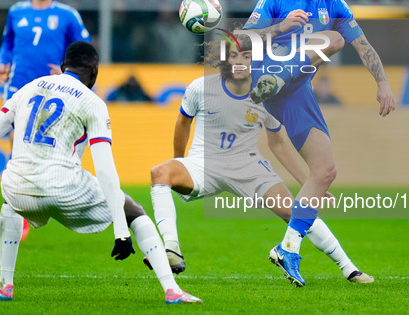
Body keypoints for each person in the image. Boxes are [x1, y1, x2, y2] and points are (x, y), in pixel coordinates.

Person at [0, 41, 201, 305]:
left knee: (10, 203)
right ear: (95, 72)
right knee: (134, 210)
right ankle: (172, 290)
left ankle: (5, 286)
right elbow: (105, 168)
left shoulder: (29, 88)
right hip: (65, 189)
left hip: (20, 188)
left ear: (63, 67)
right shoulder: (92, 102)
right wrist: (120, 230)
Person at [148, 42, 373, 285]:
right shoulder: (200, 88)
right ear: (225, 61)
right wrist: (179, 160)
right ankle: (171, 248)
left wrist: (308, 181)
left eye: (247, 56)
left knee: (295, 212)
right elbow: (182, 122)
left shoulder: (266, 93)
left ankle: (349, 269)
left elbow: (277, 144)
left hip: (248, 168)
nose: (240, 61)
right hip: (204, 163)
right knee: (159, 172)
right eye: (233, 56)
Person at [242, 0, 396, 286]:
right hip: (267, 72)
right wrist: (280, 27)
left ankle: (288, 249)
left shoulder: (332, 4)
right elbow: (243, 38)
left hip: (297, 90)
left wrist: (382, 84)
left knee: (325, 172)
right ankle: (276, 77)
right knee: (333, 40)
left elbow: (364, 46)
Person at [0, 0, 91, 100]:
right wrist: (2, 61)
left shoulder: (68, 15)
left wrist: (68, 72)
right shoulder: (16, 12)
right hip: (17, 87)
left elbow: (85, 50)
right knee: (14, 123)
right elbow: (8, 42)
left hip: (55, 90)